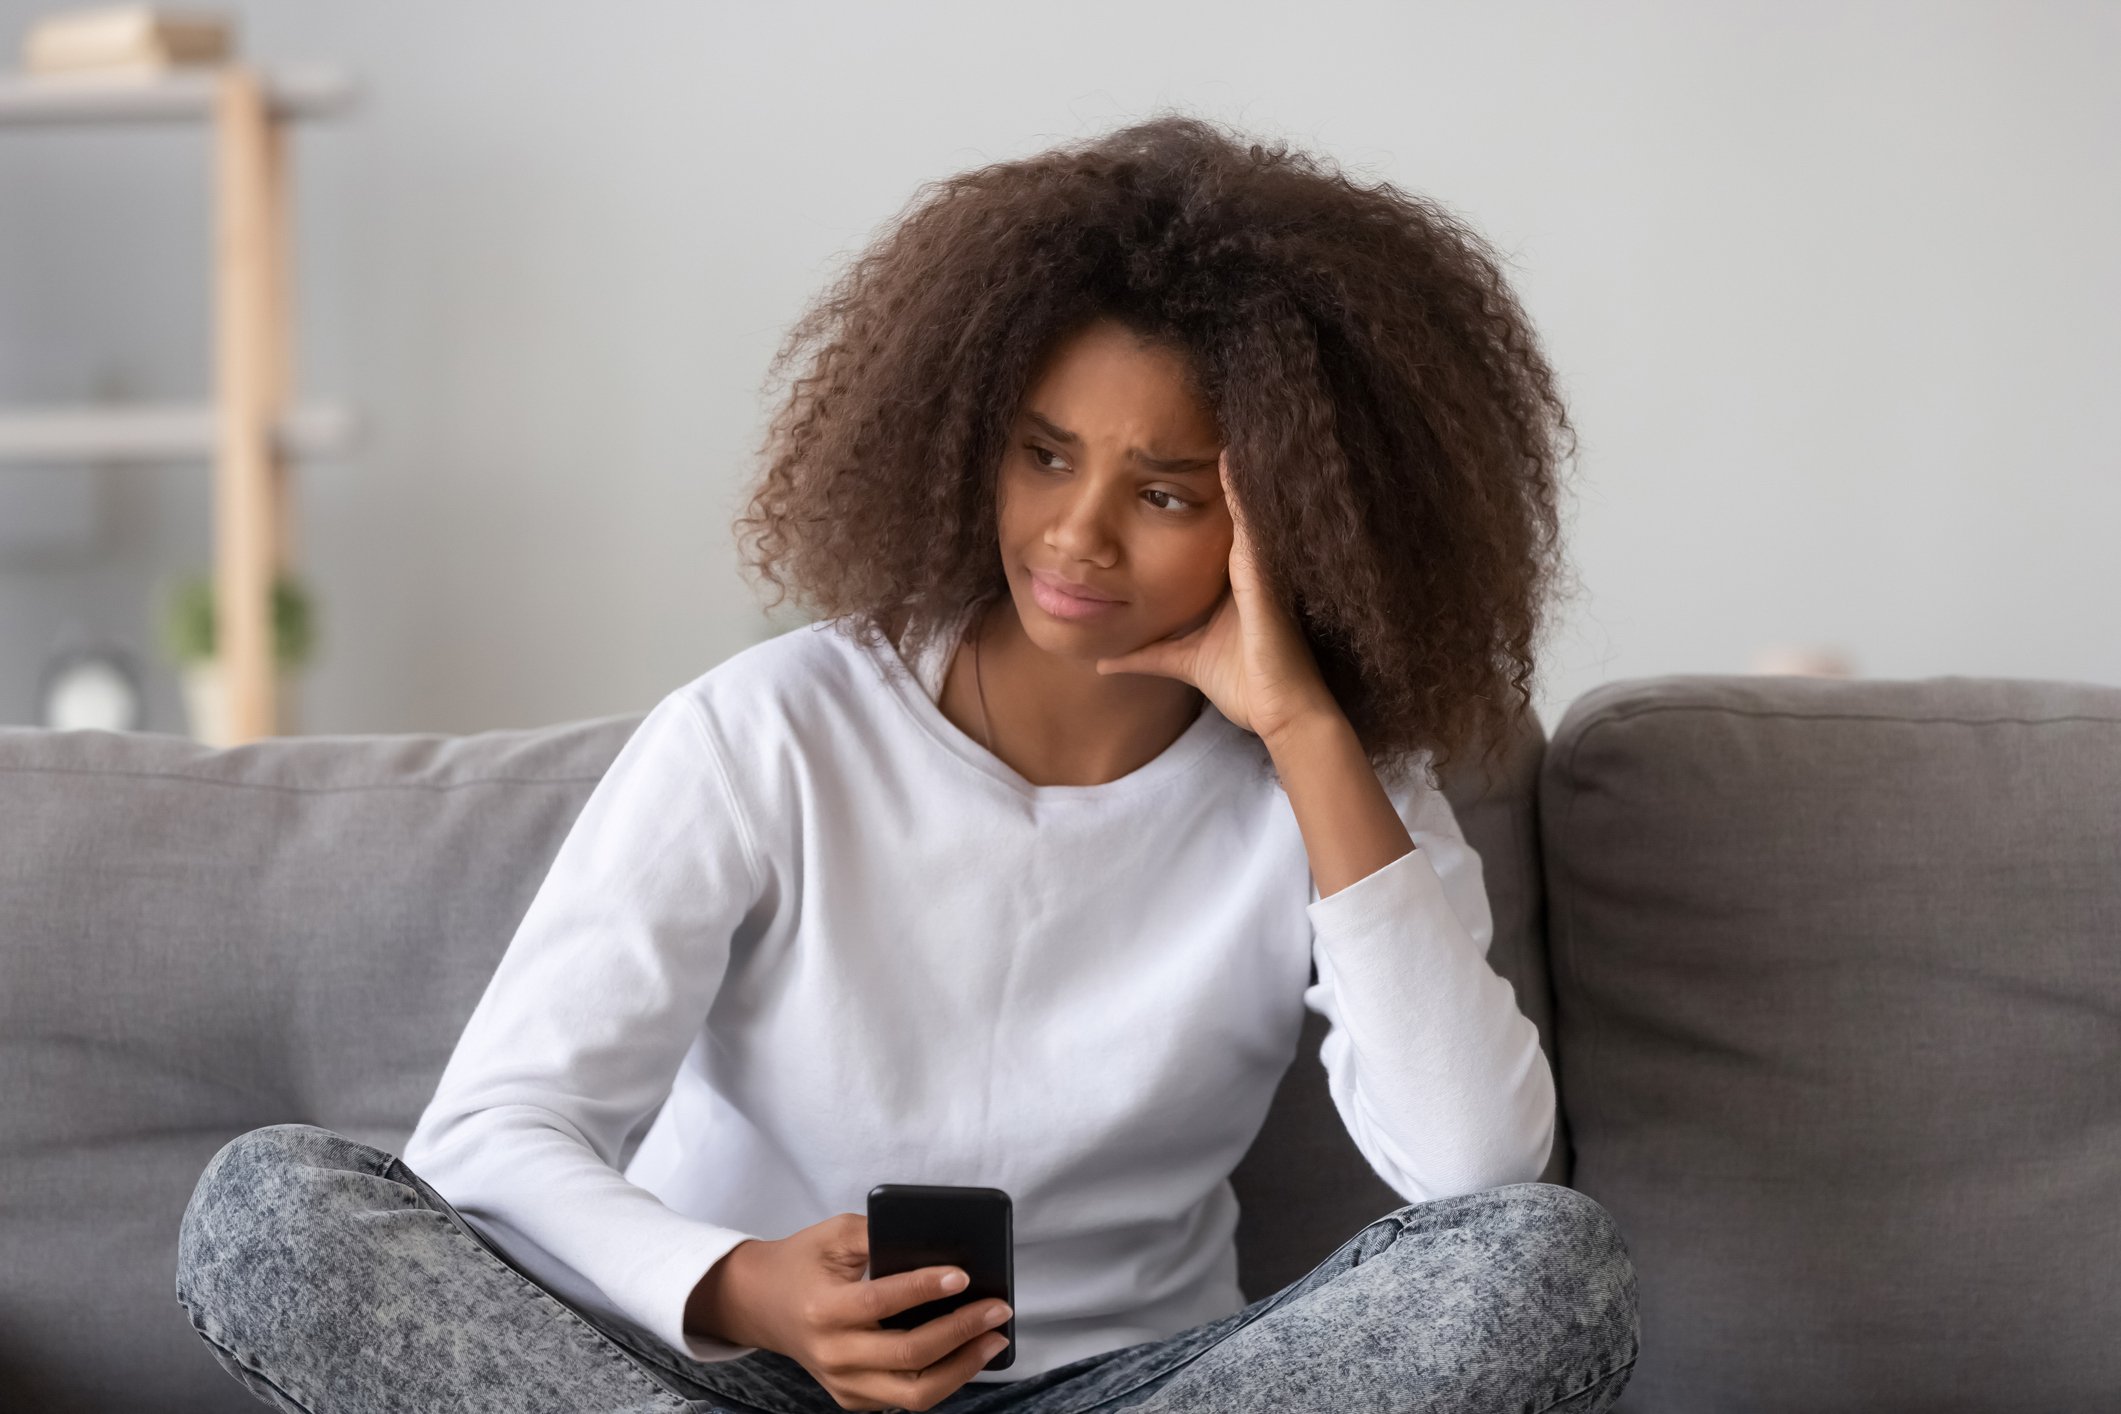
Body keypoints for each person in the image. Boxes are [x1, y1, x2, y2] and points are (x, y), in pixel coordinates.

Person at [176, 112, 1637, 1414]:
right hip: (729, 1381)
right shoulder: (767, 731)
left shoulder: (1338, 789)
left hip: (1120, 1388)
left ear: (1303, 520)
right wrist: (741, 1287)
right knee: (270, 1212)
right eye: (1043, 455)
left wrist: (1309, 736)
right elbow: (493, 1136)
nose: (1075, 535)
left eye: (1166, 494)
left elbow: (1478, 1174)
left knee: (1544, 1268)